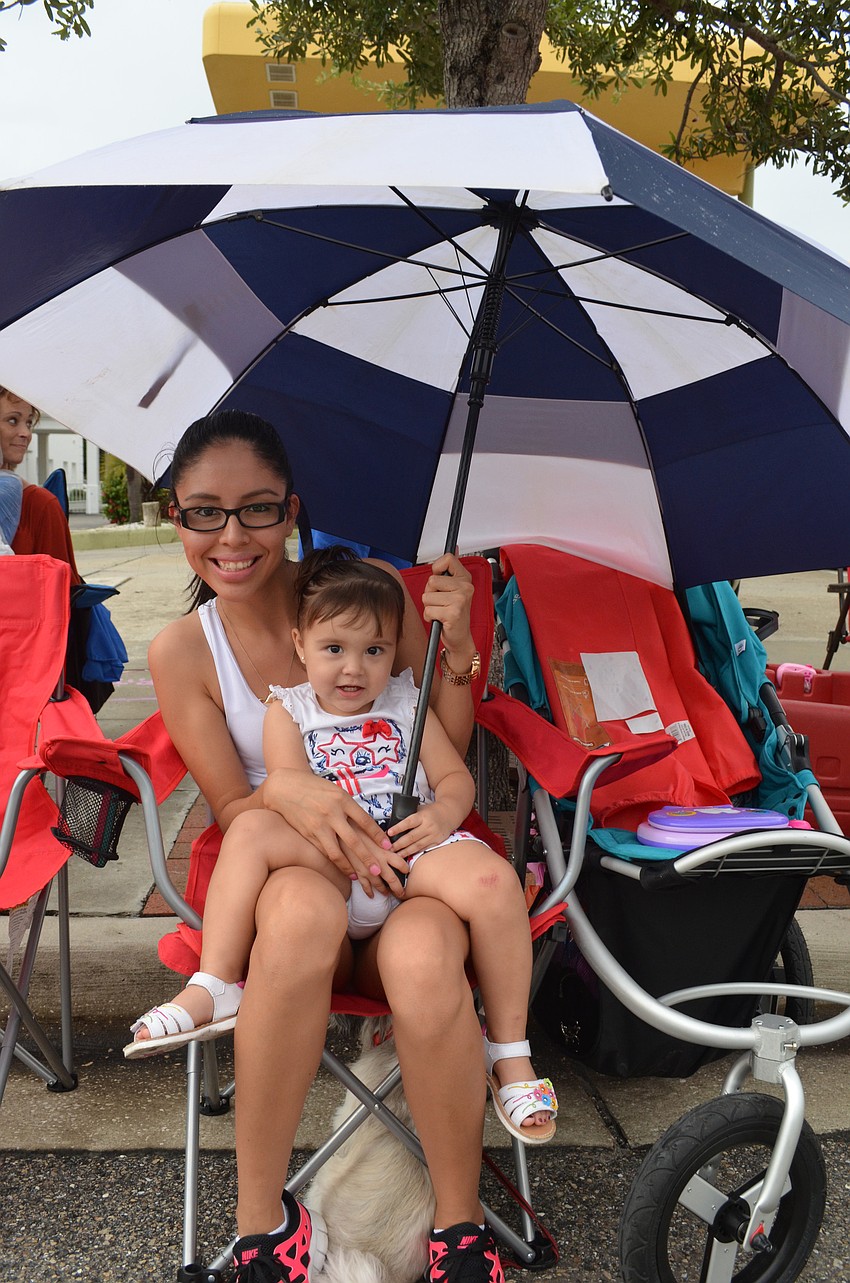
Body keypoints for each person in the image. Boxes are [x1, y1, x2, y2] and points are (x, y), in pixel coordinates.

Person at [125, 407, 518, 1283]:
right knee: (300, 916)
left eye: (257, 509)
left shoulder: (372, 591)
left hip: (409, 870)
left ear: (292, 510)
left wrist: (455, 649)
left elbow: (438, 739)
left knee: (422, 958)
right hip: (295, 873)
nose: (232, 536)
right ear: (177, 517)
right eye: (204, 512)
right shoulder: (183, 649)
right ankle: (265, 1231)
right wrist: (292, 785)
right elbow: (235, 804)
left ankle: (460, 1231)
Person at [128, 547, 557, 1151]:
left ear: (394, 651)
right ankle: (217, 982)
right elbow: (289, 795)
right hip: (329, 863)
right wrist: (332, 837)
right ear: (301, 646)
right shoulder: (289, 709)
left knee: (495, 883)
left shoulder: (407, 703)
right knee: (250, 830)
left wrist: (440, 812)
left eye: (374, 651)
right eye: (334, 650)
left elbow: (454, 777)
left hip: (410, 855)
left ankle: (510, 1051)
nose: (354, 668)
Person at [0, 387, 80, 573]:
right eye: (13, 421)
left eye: (28, 423)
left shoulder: (42, 505)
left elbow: (64, 591)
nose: (25, 433)